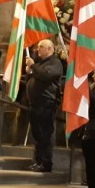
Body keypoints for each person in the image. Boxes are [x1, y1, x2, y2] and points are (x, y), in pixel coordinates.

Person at [25, 39, 63, 172]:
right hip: (35, 104)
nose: (37, 49)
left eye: (41, 47)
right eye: (37, 47)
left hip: (46, 104)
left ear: (50, 49)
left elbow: (46, 75)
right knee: (37, 134)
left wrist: (33, 66)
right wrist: (29, 72)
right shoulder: (41, 63)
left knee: (45, 134)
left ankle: (46, 163)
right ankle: (38, 160)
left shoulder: (55, 62)